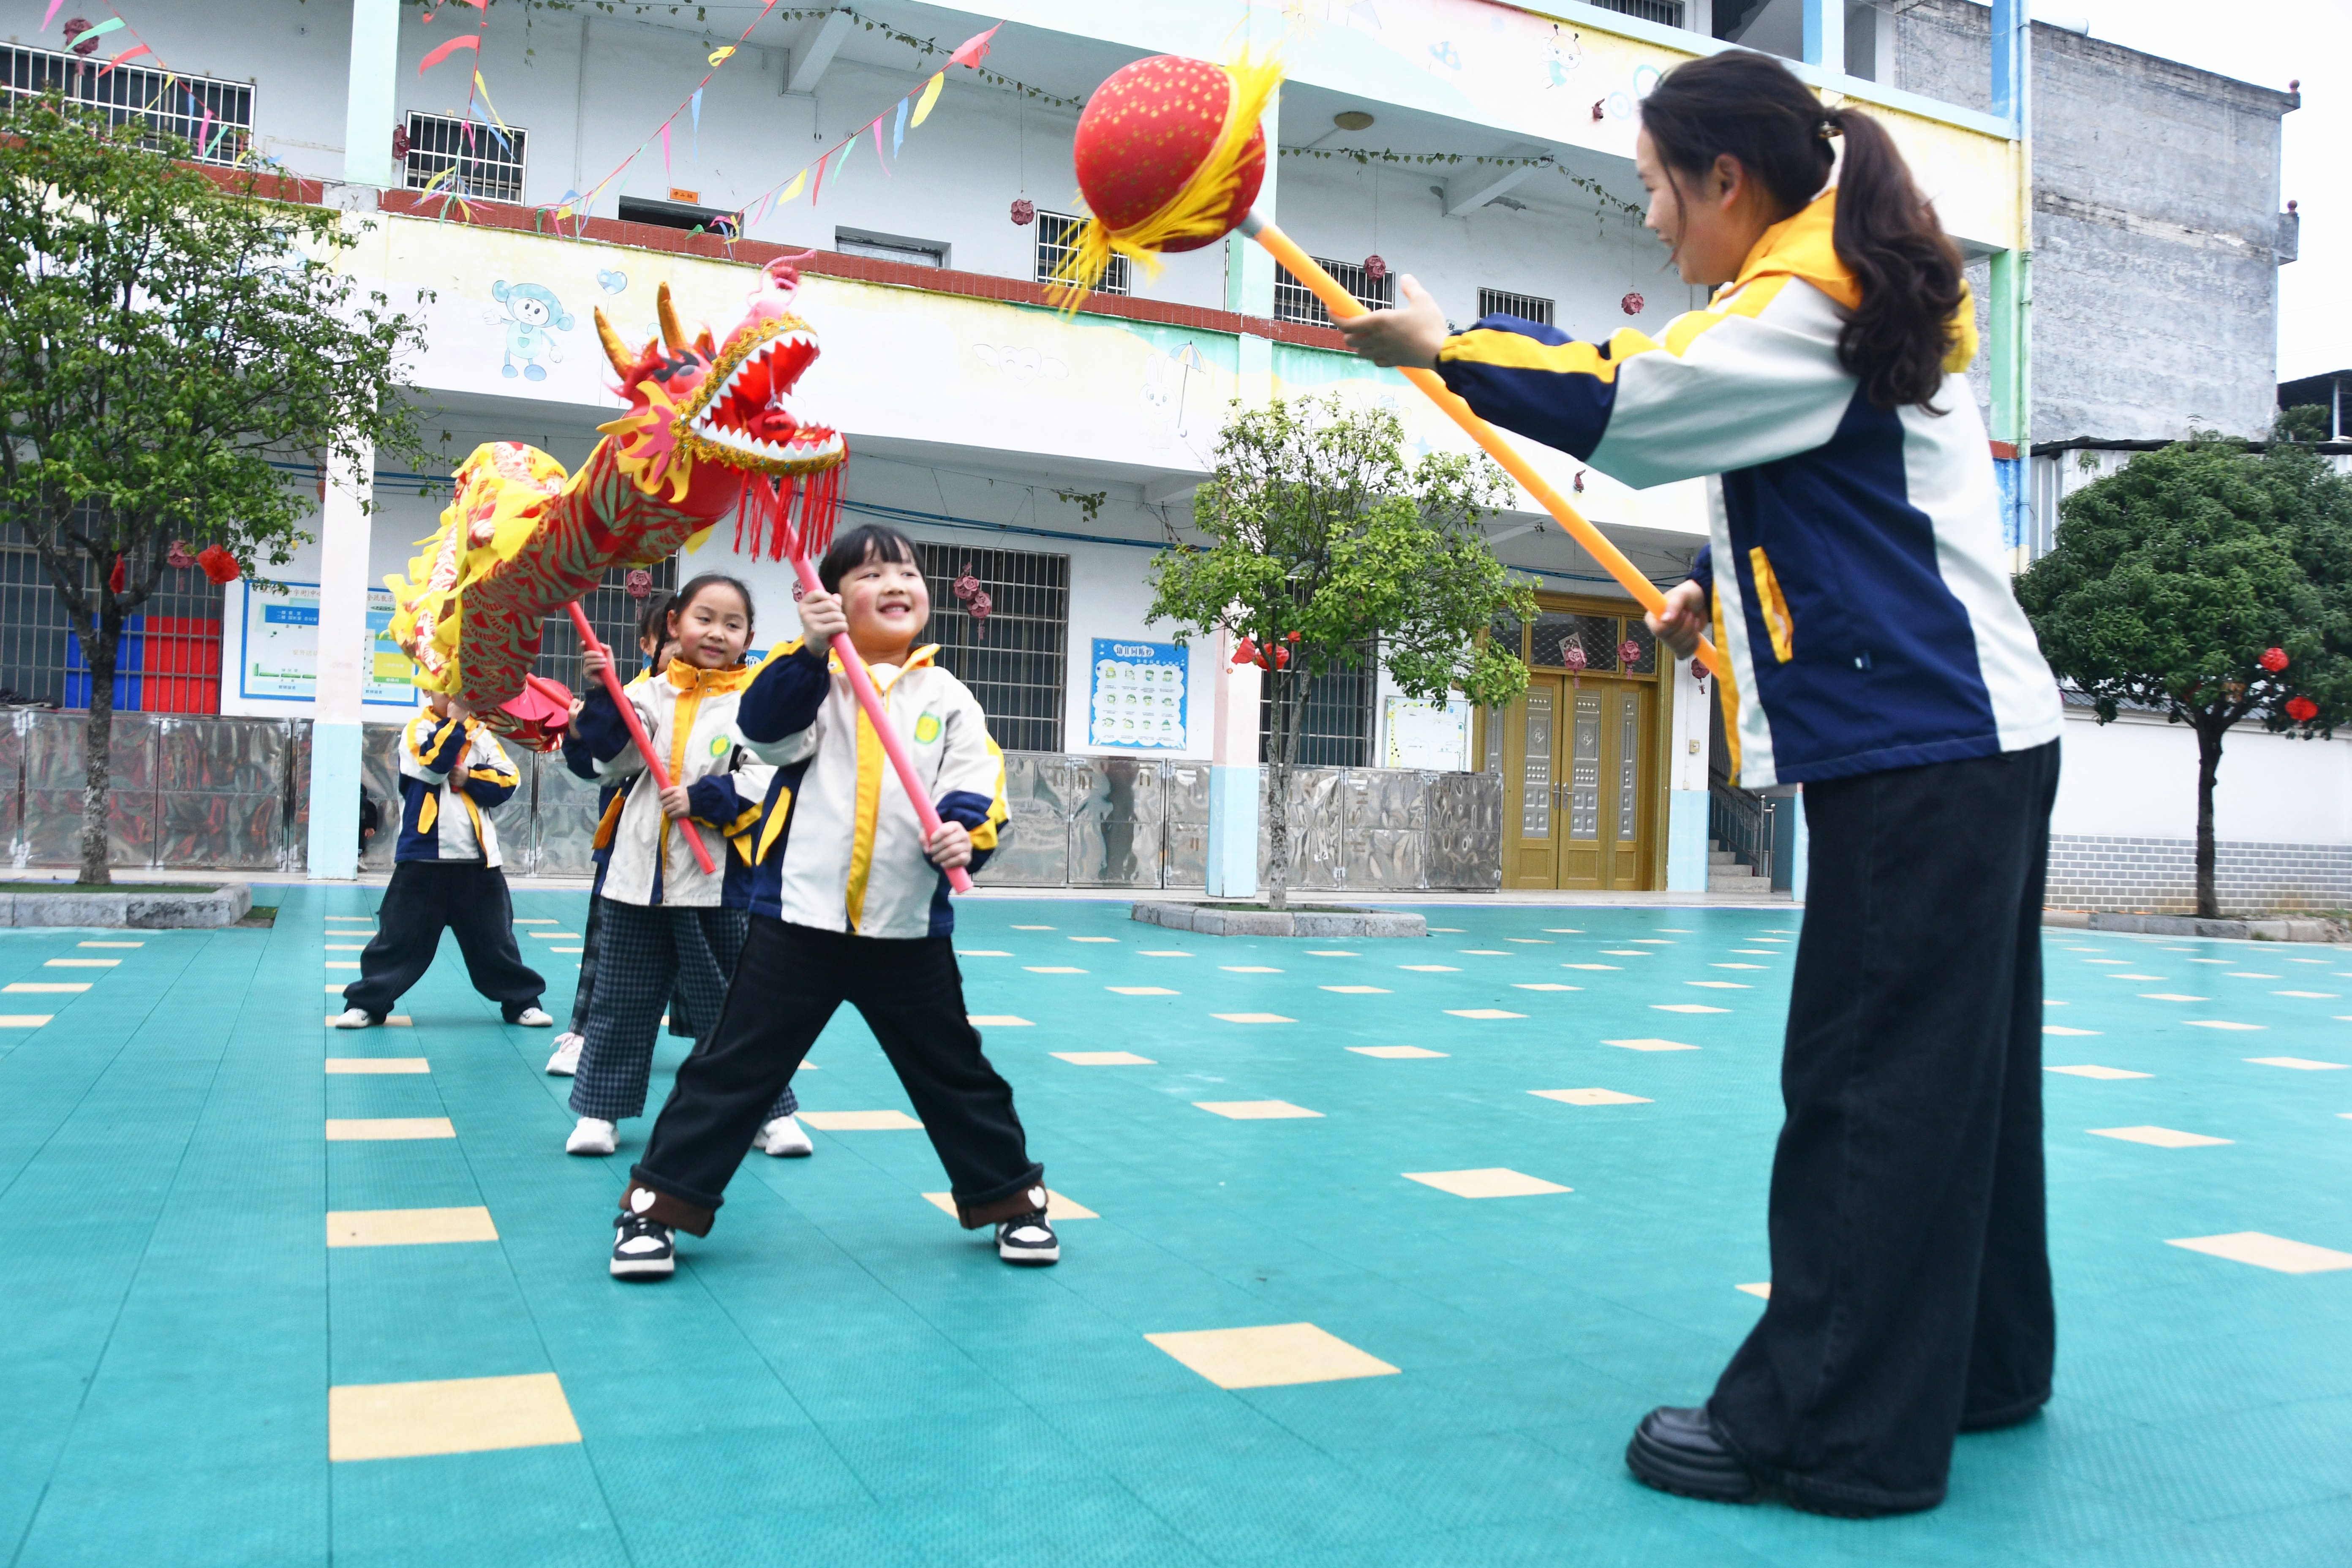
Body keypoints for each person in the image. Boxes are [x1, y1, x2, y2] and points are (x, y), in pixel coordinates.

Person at [1339, 50, 2063, 1519]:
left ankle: (1831, 1429)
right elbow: (1830, 518)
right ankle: (1977, 1363)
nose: (1653, 227)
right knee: (1952, 1086)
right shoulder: (1828, 288)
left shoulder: (1803, 300)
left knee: (1864, 1086)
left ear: (1724, 180)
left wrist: (1436, 345)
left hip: (1922, 749)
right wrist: (1713, 612)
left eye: (1656, 195)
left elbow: (1640, 405)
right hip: (1968, 735)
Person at [605, 524, 1040, 1281]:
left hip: (906, 931)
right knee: (733, 1068)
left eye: (906, 571)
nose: (896, 584)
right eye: (871, 575)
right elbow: (765, 733)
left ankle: (1011, 1202)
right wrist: (809, 651)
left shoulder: (947, 695)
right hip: (795, 924)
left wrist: (966, 835)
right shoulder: (800, 676)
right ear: (829, 599)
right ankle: (656, 1209)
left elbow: (977, 783)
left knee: (955, 1072)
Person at [561, 574, 808, 1160]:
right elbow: (604, 763)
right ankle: (599, 1112)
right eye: (704, 618)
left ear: (750, 634)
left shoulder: (756, 702)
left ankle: (768, 1113)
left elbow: (767, 781)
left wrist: (704, 800)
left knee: (739, 1007)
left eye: (733, 623)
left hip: (721, 883)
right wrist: (602, 696)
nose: (717, 633)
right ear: (673, 624)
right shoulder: (644, 696)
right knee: (621, 1001)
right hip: (636, 880)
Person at [331, 693, 554, 1029]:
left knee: (496, 941)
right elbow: (434, 766)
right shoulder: (417, 730)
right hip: (424, 859)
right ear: (428, 691)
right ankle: (367, 1004)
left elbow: (509, 780)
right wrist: (456, 724)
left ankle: (522, 1002)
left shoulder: (481, 734)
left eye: (461, 688)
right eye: (445, 687)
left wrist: (471, 778)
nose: (454, 695)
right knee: (398, 939)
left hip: (478, 863)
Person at [546, 595, 675, 1078]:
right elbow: (596, 767)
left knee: (718, 966)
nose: (686, 644)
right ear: (646, 643)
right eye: (672, 634)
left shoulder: (723, 700)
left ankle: (738, 1060)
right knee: (609, 949)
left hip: (698, 850)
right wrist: (582, 731)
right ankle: (585, 1035)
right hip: (627, 846)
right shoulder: (629, 699)